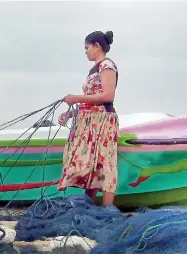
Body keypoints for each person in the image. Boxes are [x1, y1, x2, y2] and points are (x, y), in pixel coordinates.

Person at [57, 30, 119, 206]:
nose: (85, 52)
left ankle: (108, 211)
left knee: (105, 164)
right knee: (90, 164)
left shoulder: (107, 66)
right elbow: (91, 101)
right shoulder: (94, 69)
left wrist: (76, 98)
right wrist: (71, 113)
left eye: (87, 48)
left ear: (97, 46)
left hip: (103, 122)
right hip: (89, 121)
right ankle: (88, 206)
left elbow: (107, 96)